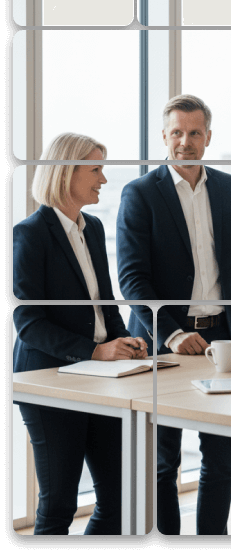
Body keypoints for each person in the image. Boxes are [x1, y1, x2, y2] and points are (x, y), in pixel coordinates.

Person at [116, 93, 231, 535]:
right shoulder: (139, 193)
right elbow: (132, 279)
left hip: (221, 342)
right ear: (164, 136)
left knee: (220, 459)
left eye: (194, 133)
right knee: (161, 463)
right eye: (177, 133)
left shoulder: (228, 188)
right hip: (164, 345)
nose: (185, 141)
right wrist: (172, 334)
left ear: (208, 136)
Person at [13, 133, 148, 535]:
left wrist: (126, 341)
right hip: (50, 382)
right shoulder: (29, 235)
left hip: (100, 380)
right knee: (58, 507)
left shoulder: (94, 229)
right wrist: (95, 351)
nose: (104, 178)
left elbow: (104, 302)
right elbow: (29, 322)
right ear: (66, 172)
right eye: (95, 168)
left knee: (119, 499)